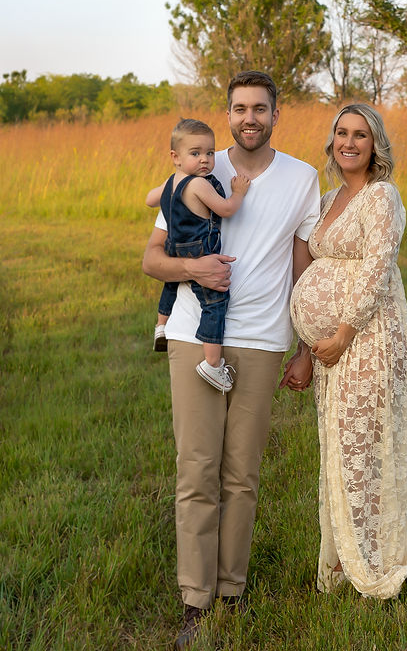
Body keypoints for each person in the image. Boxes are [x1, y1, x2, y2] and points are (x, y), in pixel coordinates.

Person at [142, 71, 319, 649]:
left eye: (260, 108)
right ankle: (195, 599)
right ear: (228, 114)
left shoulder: (302, 178)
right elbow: (153, 259)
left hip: (263, 340)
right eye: (240, 107)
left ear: (275, 114)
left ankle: (233, 589)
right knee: (196, 470)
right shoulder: (197, 167)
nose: (250, 117)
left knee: (241, 475)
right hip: (196, 333)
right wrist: (192, 269)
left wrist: (305, 345)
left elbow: (303, 268)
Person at [289, 103, 407, 598]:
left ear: (375, 144)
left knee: (364, 445)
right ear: (332, 140)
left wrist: (342, 330)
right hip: (328, 346)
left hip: (368, 337)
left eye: (361, 134)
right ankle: (342, 560)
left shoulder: (382, 196)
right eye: (342, 133)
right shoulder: (331, 196)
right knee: (338, 447)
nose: (349, 142)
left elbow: (379, 267)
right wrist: (306, 347)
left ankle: (374, 561)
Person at [148, 118, 251, 393]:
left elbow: (149, 198)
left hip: (175, 245)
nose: (205, 160)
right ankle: (212, 363)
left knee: (172, 281)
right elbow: (227, 209)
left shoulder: (173, 181)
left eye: (209, 153)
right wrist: (239, 193)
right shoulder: (199, 184)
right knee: (215, 302)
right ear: (176, 157)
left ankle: (161, 324)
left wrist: (165, 191)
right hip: (199, 249)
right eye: (195, 154)